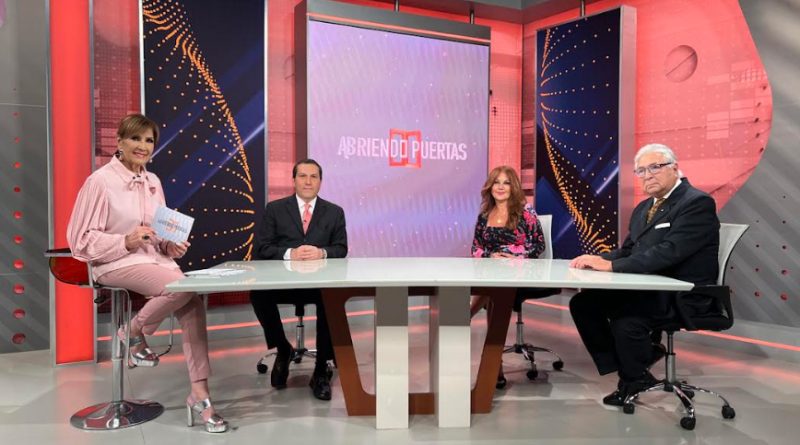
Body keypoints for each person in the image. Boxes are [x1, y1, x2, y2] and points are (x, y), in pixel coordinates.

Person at [67, 114, 227, 433]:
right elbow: (79, 240)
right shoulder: (100, 182)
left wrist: (170, 245)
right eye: (135, 138)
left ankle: (200, 395)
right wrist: (125, 241)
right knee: (180, 288)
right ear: (120, 141)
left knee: (193, 304)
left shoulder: (153, 181)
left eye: (149, 140)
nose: (143, 146)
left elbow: (156, 234)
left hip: (154, 262)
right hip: (114, 263)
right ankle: (132, 331)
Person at [568, 143, 719, 407]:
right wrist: (600, 259)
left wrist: (612, 267)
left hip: (682, 293)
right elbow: (629, 250)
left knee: (627, 320)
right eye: (641, 171)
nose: (647, 175)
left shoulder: (696, 203)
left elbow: (670, 252)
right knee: (583, 303)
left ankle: (633, 375)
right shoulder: (644, 207)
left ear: (674, 167)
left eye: (655, 167)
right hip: (650, 288)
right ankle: (635, 367)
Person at [250, 159, 348, 401]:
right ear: (293, 180)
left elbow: (341, 248)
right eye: (302, 176)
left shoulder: (334, 212)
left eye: (314, 176)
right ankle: (283, 348)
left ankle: (321, 369)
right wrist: (290, 253)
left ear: (320, 182)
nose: (308, 181)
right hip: (284, 283)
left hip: (318, 284)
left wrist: (322, 252)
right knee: (258, 294)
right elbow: (262, 248)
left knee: (330, 298)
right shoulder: (275, 209)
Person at [470, 166, 546, 387]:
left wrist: (513, 256)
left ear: (514, 187)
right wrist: (491, 255)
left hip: (520, 273)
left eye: (506, 183)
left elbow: (538, 244)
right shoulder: (485, 215)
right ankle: (495, 365)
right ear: (490, 187)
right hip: (492, 272)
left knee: (492, 292)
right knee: (492, 289)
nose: (501, 187)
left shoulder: (525, 211)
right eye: (497, 182)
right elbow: (475, 248)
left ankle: (467, 316)